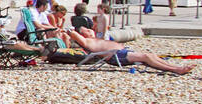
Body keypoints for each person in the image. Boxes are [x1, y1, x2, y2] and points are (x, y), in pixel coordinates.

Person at [62, 30, 192, 75]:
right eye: (86, 30)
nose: (90, 30)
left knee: (150, 55)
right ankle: (176, 70)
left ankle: (176, 67)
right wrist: (71, 32)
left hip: (122, 52)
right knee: (146, 57)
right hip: (116, 55)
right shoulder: (88, 41)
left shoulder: (94, 38)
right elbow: (79, 39)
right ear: (83, 34)